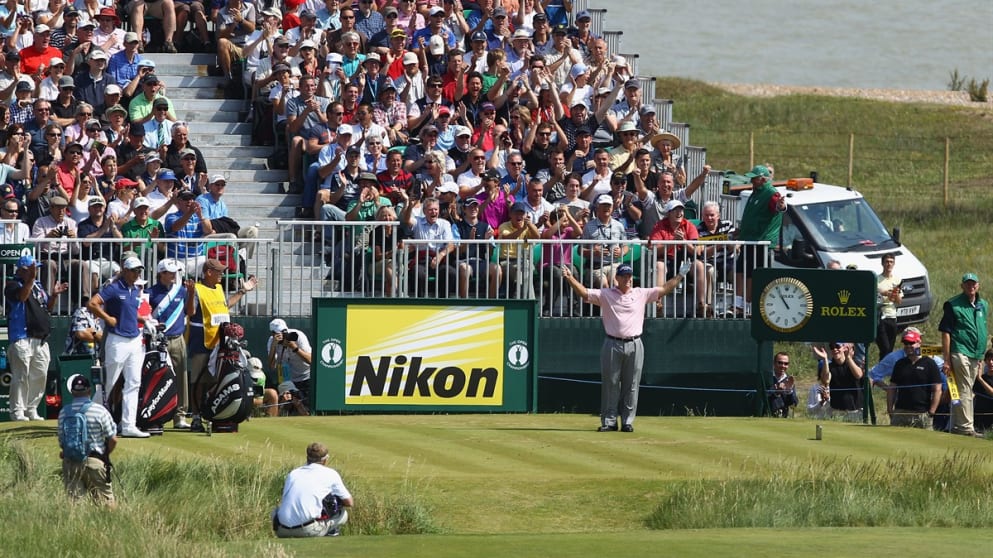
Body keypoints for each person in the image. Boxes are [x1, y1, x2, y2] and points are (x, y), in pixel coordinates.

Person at [560, 262, 687, 432]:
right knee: (610, 384)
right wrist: (569, 278)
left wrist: (680, 276)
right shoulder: (606, 294)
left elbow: (664, 289)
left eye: (629, 276)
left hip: (635, 343)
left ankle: (627, 421)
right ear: (617, 278)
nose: (628, 279)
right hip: (612, 342)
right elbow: (584, 293)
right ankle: (609, 422)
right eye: (624, 276)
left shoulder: (640, 293)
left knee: (632, 384)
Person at [185, 258, 257, 432]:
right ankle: (195, 417)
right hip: (201, 340)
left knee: (214, 381)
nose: (222, 275)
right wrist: (191, 294)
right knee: (199, 381)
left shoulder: (217, 288)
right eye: (219, 272)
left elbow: (225, 306)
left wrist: (242, 291)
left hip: (221, 343)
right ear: (208, 272)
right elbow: (190, 312)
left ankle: (211, 413)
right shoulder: (198, 290)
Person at [87, 255, 149, 438]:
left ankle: (129, 425)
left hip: (134, 340)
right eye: (134, 270)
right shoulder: (113, 288)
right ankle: (91, 421)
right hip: (117, 340)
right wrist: (108, 319)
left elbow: (129, 313)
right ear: (125, 271)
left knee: (133, 383)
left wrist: (143, 320)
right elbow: (92, 303)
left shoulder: (135, 289)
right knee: (108, 382)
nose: (138, 274)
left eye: (139, 270)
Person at [5, 254, 65, 421]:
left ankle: (32, 409)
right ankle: (17, 411)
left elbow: (47, 309)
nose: (36, 272)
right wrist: (30, 280)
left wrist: (53, 296)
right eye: (32, 269)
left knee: (40, 375)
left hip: (41, 339)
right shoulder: (11, 285)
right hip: (21, 337)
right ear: (23, 270)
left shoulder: (38, 286)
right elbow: (22, 297)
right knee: (21, 376)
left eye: (36, 269)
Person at [939, 272, 988, 437]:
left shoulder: (983, 305)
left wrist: (981, 355)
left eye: (973, 283)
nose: (971, 286)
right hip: (960, 350)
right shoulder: (953, 305)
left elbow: (982, 328)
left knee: (965, 389)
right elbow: (945, 332)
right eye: (967, 283)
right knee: (965, 388)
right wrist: (947, 359)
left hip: (976, 354)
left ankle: (957, 426)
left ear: (978, 285)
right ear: (962, 286)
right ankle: (966, 428)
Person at [733, 164, 785, 316]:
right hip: (748, 240)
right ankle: (739, 304)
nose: (752, 181)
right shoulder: (754, 194)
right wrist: (741, 231)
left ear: (762, 179)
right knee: (741, 271)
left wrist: (781, 206)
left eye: (754, 179)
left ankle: (746, 306)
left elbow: (778, 205)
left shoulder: (770, 193)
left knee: (751, 275)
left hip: (760, 243)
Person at [58, 374, 117, 505]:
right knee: (106, 503)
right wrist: (105, 455)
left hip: (71, 463)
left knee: (75, 506)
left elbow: (62, 441)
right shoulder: (99, 410)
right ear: (89, 391)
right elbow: (113, 439)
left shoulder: (63, 412)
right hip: (94, 461)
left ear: (72, 392)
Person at [273, 442, 353, 538]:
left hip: (281, 530)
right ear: (325, 460)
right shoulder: (330, 473)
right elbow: (349, 502)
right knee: (343, 514)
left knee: (275, 510)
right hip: (308, 531)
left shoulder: (293, 474)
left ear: (307, 458)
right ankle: (329, 532)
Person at [147, 258, 190, 429]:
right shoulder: (150, 293)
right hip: (158, 341)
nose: (173, 275)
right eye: (169, 272)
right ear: (161, 274)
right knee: (157, 378)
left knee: (181, 377)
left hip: (177, 339)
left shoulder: (182, 291)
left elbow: (189, 311)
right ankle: (157, 413)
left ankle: (180, 415)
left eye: (174, 272)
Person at [886, 329, 942, 429]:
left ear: (919, 343)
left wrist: (931, 412)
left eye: (911, 343)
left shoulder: (929, 363)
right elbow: (892, 388)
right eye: (906, 343)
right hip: (900, 412)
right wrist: (890, 409)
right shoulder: (900, 363)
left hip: (922, 413)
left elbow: (937, 389)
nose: (908, 346)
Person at [266, 318, 313, 411]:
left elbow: (311, 360)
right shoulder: (272, 341)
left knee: (303, 406)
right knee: (286, 402)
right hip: (288, 380)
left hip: (306, 377)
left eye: (284, 332)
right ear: (273, 334)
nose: (283, 335)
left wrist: (295, 348)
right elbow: (271, 366)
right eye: (279, 333)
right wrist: (273, 347)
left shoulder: (298, 336)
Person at [813, 342, 864, 421]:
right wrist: (825, 359)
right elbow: (825, 380)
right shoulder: (830, 366)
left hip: (855, 410)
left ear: (843, 348)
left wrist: (848, 358)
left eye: (837, 346)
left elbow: (858, 375)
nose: (835, 349)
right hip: (837, 411)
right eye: (832, 347)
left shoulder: (855, 362)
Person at [876, 252, 902, 358]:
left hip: (892, 316)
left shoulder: (897, 280)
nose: (889, 264)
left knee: (890, 349)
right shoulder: (876, 279)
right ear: (882, 263)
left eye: (891, 262)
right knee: (884, 347)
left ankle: (886, 371)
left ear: (894, 264)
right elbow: (876, 293)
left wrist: (895, 294)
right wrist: (885, 292)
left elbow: (899, 301)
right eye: (887, 262)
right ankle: (880, 372)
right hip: (880, 316)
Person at [768, 352, 797, 418]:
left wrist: (789, 391)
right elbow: (762, 398)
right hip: (766, 417)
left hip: (783, 419)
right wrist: (775, 392)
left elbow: (794, 403)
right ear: (774, 363)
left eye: (786, 364)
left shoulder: (789, 380)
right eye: (780, 363)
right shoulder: (767, 377)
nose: (783, 366)